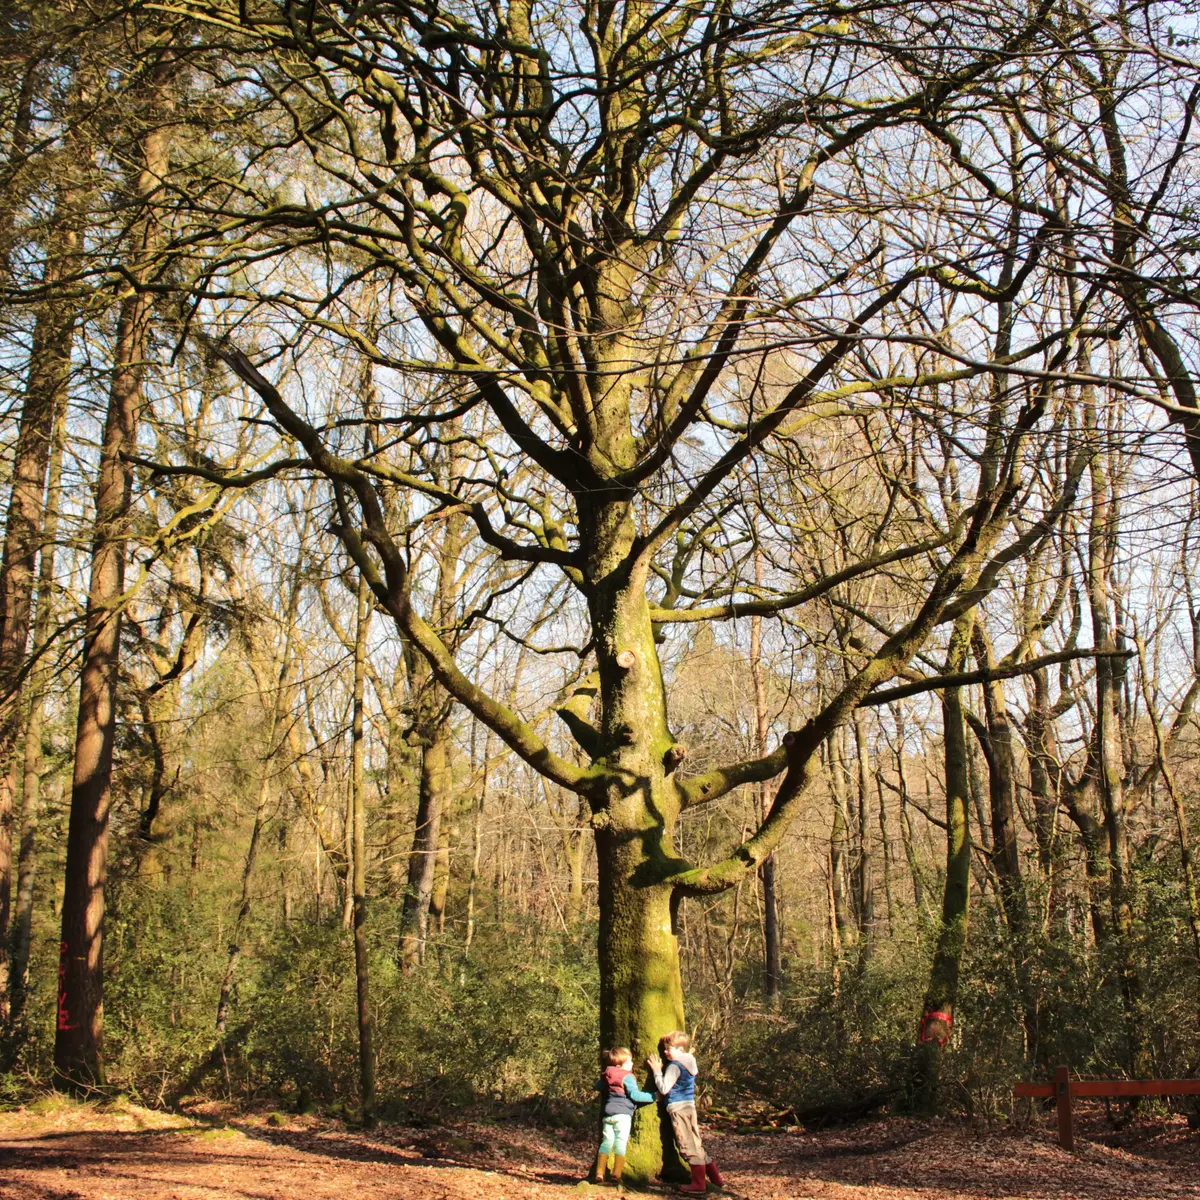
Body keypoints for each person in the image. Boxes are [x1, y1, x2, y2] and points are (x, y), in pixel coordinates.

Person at [648, 1031, 726, 1194]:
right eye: (665, 1049)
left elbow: (664, 1088)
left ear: (680, 1050)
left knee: (687, 1145)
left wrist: (656, 1070)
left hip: (678, 1108)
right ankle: (716, 1179)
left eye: (669, 1049)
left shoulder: (674, 1066)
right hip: (689, 1106)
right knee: (696, 1143)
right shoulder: (690, 1060)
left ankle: (699, 1185)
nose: (665, 1052)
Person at [594, 1046, 656, 1190]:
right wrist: (653, 1096)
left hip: (608, 1114)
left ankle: (599, 1173)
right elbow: (635, 1095)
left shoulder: (606, 1075)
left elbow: (598, 1085)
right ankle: (616, 1174)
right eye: (629, 1061)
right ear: (620, 1064)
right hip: (622, 1115)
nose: (632, 1064)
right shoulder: (627, 1076)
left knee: (606, 1142)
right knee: (620, 1143)